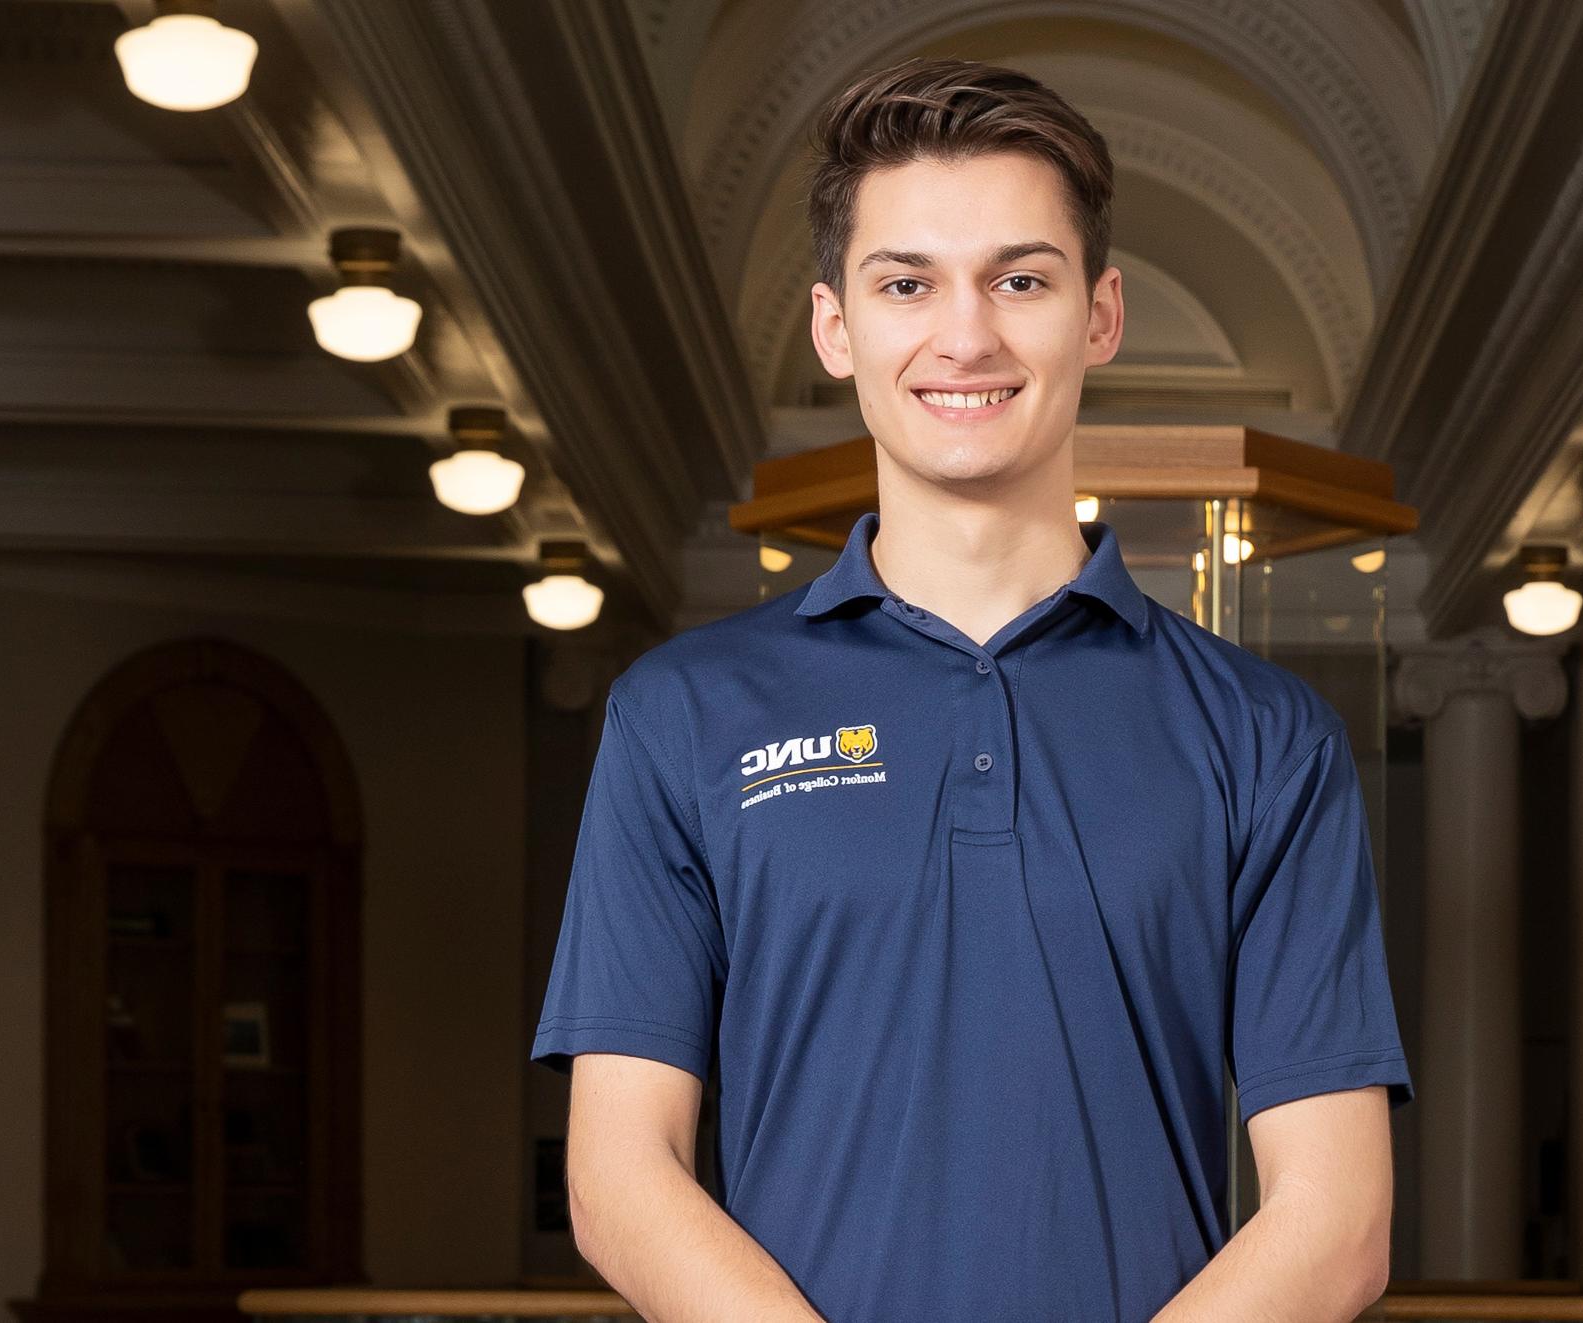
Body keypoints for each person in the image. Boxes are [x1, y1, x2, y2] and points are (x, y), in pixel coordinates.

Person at [528, 56, 1411, 1323]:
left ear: (1098, 314)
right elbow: (621, 1173)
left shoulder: (1267, 739)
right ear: (838, 326)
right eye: (906, 283)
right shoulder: (680, 716)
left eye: (1021, 279)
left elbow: (1338, 1221)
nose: (966, 335)